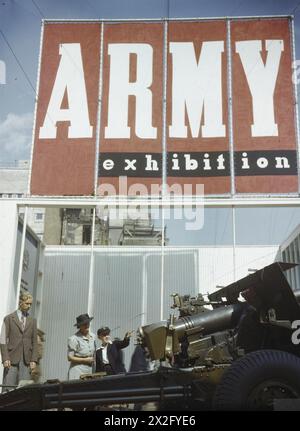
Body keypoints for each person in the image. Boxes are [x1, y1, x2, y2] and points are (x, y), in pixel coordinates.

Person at [0, 291, 38, 392]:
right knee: (8, 389)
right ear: (20, 302)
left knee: (24, 390)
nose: (29, 306)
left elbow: (35, 341)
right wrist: (5, 358)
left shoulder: (32, 321)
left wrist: (34, 359)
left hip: (26, 360)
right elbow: (3, 340)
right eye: (27, 303)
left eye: (30, 304)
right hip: (11, 359)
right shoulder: (8, 318)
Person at [68, 314, 96, 380]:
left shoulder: (93, 336)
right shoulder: (74, 339)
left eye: (87, 323)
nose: (86, 325)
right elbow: (70, 357)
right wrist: (85, 360)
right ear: (79, 326)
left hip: (89, 370)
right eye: (84, 324)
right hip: (77, 371)